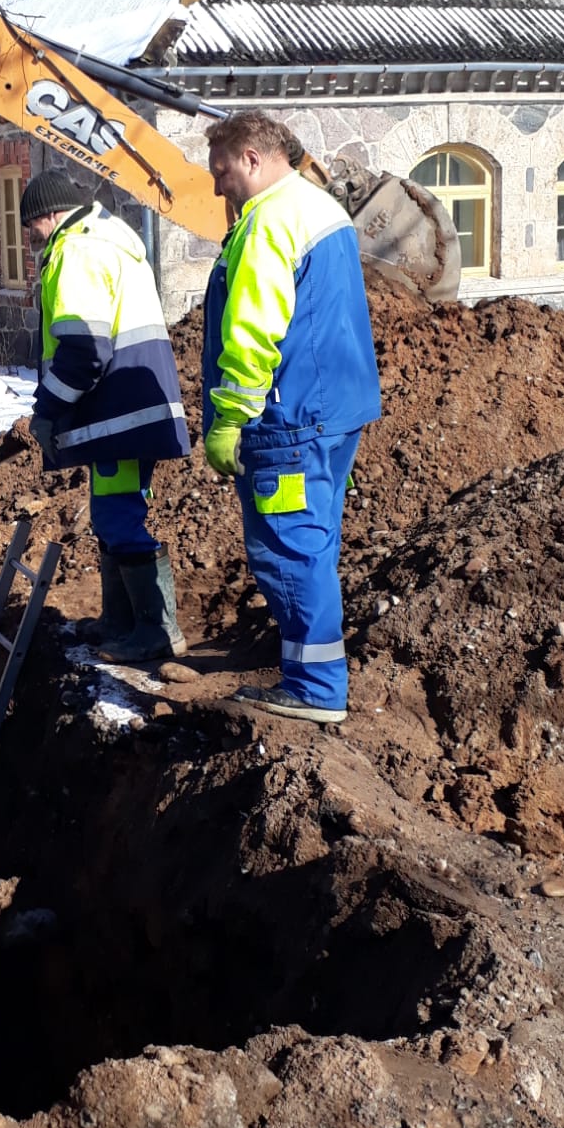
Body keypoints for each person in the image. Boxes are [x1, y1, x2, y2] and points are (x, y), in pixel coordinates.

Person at [201, 112, 381, 725]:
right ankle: (315, 675)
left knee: (288, 550)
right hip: (334, 414)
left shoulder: (267, 223)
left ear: (252, 158)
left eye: (222, 171)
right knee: (315, 543)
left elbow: (252, 331)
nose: (219, 186)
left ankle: (315, 687)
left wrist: (229, 417)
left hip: (288, 423)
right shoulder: (320, 209)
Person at [23, 169, 190, 661]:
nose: (31, 238)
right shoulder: (105, 241)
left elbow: (83, 348)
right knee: (112, 513)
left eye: (30, 225)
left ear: (49, 216)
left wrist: (48, 409)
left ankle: (156, 631)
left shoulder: (77, 251)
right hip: (127, 411)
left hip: (119, 415)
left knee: (118, 517)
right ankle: (122, 622)